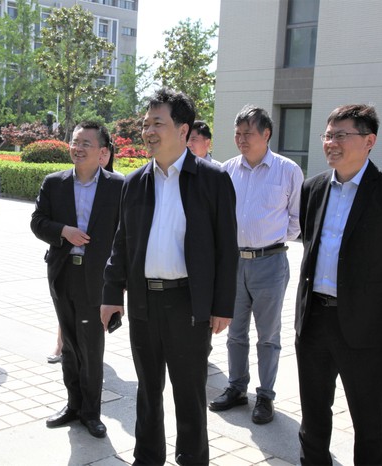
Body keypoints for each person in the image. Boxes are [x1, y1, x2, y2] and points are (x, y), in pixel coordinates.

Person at [101, 88, 239, 465]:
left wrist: (222, 306)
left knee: (189, 392)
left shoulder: (212, 179)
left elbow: (227, 248)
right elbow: (121, 243)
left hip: (188, 302)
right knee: (147, 389)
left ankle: (192, 458)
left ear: (183, 130)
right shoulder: (134, 182)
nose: (148, 131)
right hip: (143, 301)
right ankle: (148, 458)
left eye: (157, 123)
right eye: (145, 124)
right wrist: (111, 294)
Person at [296, 104, 382, 465]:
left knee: (368, 421)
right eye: (327, 135)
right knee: (313, 417)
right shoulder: (313, 188)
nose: (331, 143)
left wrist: (372, 301)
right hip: (314, 321)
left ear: (369, 141)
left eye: (341, 135)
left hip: (366, 327)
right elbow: (311, 243)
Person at [210, 105, 304, 424]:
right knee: (235, 332)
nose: (241, 139)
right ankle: (237, 387)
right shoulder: (227, 170)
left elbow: (296, 219)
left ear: (266, 134)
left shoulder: (288, 170)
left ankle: (265, 395)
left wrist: (270, 241)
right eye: (237, 133)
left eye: (248, 133)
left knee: (268, 335)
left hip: (270, 262)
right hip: (234, 263)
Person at [31, 121, 124, 439]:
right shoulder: (54, 183)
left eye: (86, 143)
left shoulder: (118, 186)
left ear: (102, 152)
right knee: (69, 344)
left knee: (91, 346)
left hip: (98, 277)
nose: (78, 148)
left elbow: (126, 236)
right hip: (63, 273)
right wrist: (63, 232)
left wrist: (120, 284)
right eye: (75, 141)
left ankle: (91, 412)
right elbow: (37, 221)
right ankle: (73, 405)